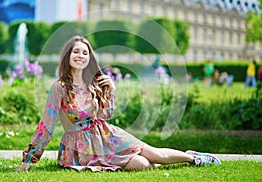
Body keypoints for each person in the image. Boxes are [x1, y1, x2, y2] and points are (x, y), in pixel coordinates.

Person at [18, 35, 221, 172]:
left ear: (90, 58)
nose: (81, 56)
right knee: (143, 165)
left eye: (85, 53)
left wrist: (111, 91)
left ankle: (193, 158)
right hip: (81, 147)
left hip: (107, 135)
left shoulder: (93, 84)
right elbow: (46, 125)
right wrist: (30, 158)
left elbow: (105, 116)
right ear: (67, 56)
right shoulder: (59, 88)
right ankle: (180, 160)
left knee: (154, 153)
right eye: (76, 52)